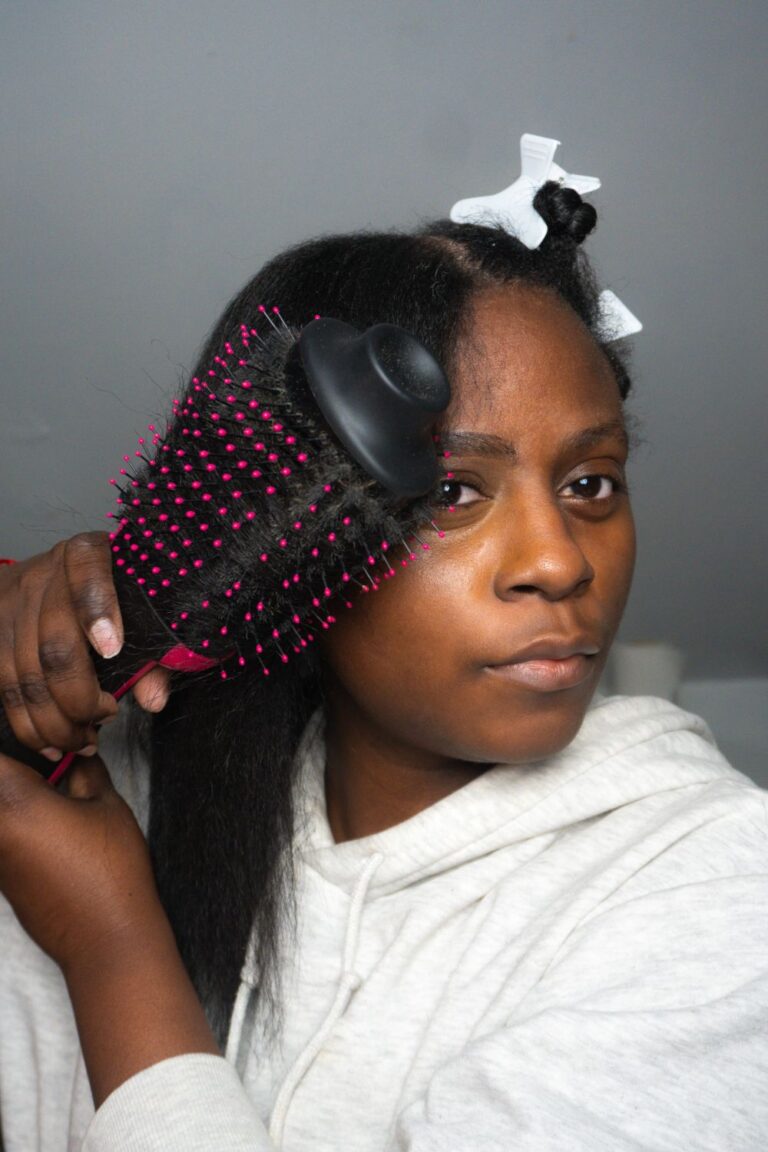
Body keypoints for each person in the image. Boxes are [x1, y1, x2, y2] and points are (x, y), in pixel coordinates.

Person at [1, 182, 767, 1152]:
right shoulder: (143, 794)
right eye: (451, 490)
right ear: (279, 529)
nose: (560, 561)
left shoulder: (720, 897)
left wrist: (113, 953)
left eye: (590, 482)